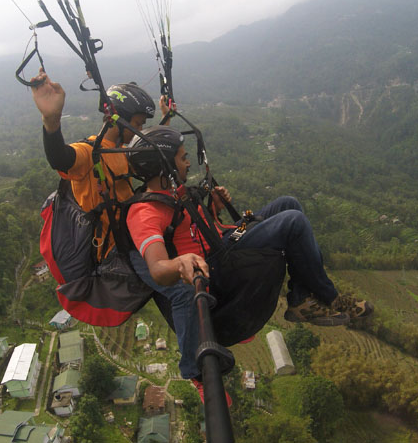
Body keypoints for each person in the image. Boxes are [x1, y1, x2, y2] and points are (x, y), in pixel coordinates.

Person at [125, 126, 373, 388]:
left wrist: (215, 210)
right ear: (165, 166)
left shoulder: (176, 192)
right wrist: (179, 264)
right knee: (294, 222)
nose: (188, 163)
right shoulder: (146, 211)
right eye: (183, 158)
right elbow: (157, 268)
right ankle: (331, 299)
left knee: (288, 204)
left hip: (227, 239)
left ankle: (299, 300)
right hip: (219, 267)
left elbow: (195, 229)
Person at [30, 68, 167, 258]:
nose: (140, 130)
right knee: (179, 287)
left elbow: (151, 160)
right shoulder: (90, 152)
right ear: (116, 119)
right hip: (111, 251)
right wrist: (51, 120)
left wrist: (166, 119)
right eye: (137, 123)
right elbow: (59, 158)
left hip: (130, 236)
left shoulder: (120, 151)